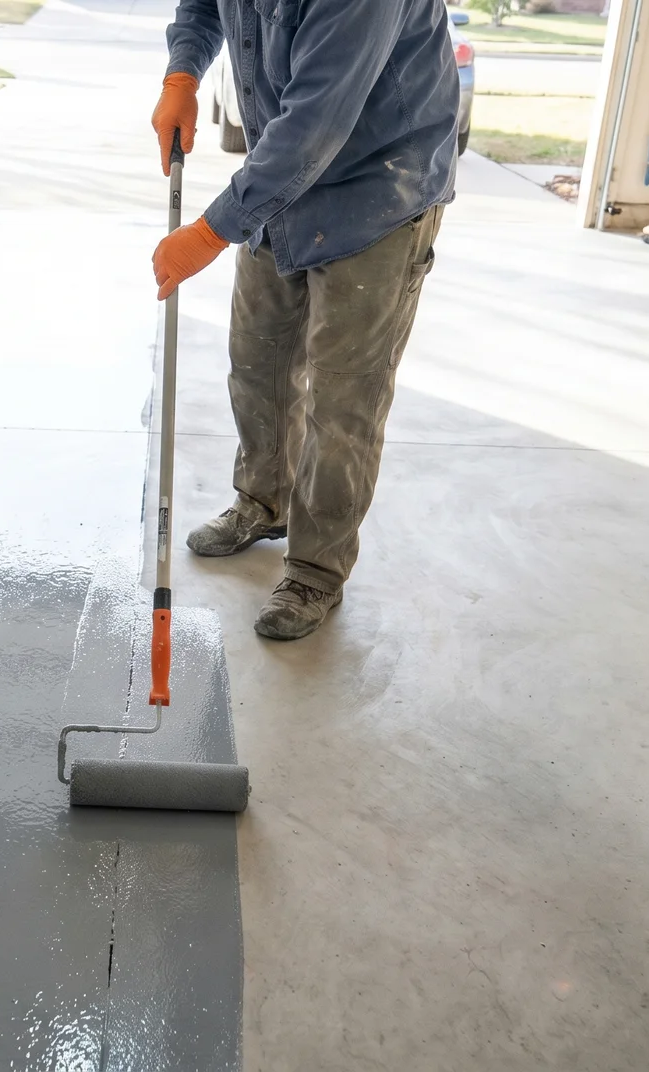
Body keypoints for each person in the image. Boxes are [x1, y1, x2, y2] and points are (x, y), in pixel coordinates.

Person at [150, 0, 460, 641]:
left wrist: (210, 232)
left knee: (344, 396)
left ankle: (316, 571)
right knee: (257, 359)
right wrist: (182, 75)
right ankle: (263, 502)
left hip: (378, 185)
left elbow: (318, 121)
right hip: (281, 170)